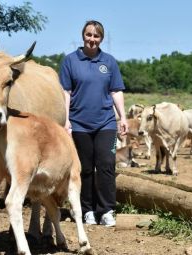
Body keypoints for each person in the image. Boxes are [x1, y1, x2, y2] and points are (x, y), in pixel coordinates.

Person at [59, 20, 128, 226]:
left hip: (106, 122)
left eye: (96, 36)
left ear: (101, 39)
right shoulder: (70, 61)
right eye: (89, 35)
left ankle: (106, 210)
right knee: (85, 168)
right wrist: (66, 120)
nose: (92, 39)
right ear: (83, 36)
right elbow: (66, 92)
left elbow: (115, 90)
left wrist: (122, 116)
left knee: (106, 164)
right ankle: (87, 210)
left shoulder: (109, 62)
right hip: (79, 124)